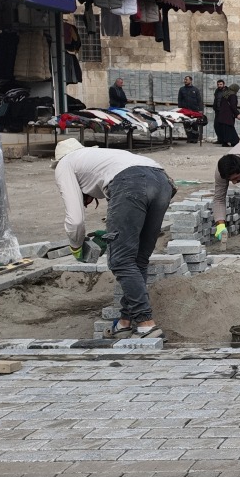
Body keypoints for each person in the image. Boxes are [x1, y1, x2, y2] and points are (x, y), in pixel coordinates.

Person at [52, 138, 173, 339]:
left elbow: (75, 220)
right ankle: (125, 322)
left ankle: (146, 324)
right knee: (137, 260)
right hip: (162, 181)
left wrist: (76, 245)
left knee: (121, 260)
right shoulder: (100, 158)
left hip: (131, 183)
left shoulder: (64, 164)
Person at [213, 79, 240, 147]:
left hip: (222, 114)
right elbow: (233, 106)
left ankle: (224, 142)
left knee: (224, 129)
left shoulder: (225, 94)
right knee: (230, 128)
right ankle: (234, 142)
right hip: (228, 115)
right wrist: (237, 113)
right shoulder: (232, 95)